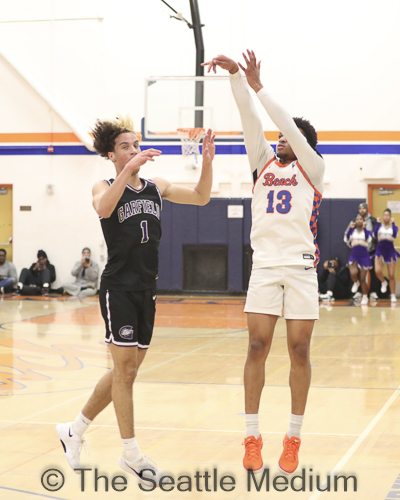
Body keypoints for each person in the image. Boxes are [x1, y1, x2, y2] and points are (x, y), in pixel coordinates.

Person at [56, 116, 214, 486]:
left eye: (135, 145)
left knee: (125, 372)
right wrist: (127, 169)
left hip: (147, 288)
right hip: (118, 288)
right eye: (125, 146)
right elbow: (104, 210)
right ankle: (132, 456)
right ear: (112, 154)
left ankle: (73, 430)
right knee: (125, 372)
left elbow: (202, 197)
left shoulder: (157, 187)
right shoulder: (105, 185)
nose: (133, 150)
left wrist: (207, 163)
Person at [202, 51, 325, 475]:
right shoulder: (262, 164)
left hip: (301, 267)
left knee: (299, 349)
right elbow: (249, 120)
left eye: (288, 137)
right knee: (257, 346)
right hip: (267, 266)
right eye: (280, 137)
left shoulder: (313, 167)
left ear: (304, 144)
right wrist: (238, 77)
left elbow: (287, 123)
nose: (280, 139)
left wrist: (261, 86)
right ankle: (252, 436)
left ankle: (293, 437)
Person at [345, 203, 378, 299]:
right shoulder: (353, 222)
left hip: (370, 251)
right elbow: (347, 236)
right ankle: (359, 291)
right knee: (356, 273)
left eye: (364, 208)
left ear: (367, 209)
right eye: (360, 209)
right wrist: (353, 245)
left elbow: (374, 235)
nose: (362, 210)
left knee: (372, 273)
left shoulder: (372, 221)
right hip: (356, 252)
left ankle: (372, 292)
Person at [344, 214, 373, 305]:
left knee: (363, 278)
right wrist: (350, 228)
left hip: (364, 255)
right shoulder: (352, 231)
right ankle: (356, 282)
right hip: (354, 254)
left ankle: (365, 296)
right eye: (357, 219)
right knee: (353, 273)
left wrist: (364, 229)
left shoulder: (367, 231)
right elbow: (346, 239)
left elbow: (368, 240)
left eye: (361, 219)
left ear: (363, 221)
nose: (359, 221)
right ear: (355, 222)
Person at [373, 208, 399, 303]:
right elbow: (375, 235)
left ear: (390, 217)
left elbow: (395, 235)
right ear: (383, 217)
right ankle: (383, 282)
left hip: (390, 250)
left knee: (391, 275)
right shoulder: (380, 226)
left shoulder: (394, 227)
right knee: (378, 271)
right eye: (384, 215)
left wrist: (394, 223)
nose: (386, 217)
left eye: (388, 215)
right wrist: (378, 223)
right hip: (380, 250)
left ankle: (392, 295)